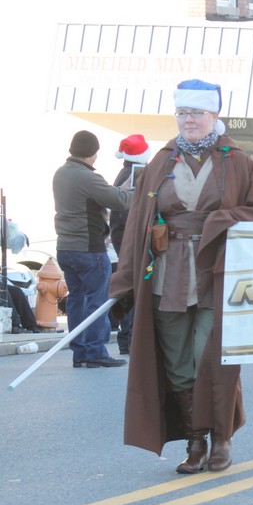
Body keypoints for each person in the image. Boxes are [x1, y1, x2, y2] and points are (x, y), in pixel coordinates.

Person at [109, 78, 253, 474]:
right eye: (183, 113)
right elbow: (138, 223)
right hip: (166, 276)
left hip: (216, 275)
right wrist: (124, 282)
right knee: (177, 364)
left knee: (213, 358)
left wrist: (222, 219)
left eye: (197, 113)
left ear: (214, 116)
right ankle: (194, 440)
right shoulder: (161, 161)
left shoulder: (237, 161)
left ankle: (221, 437)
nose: (189, 120)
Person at [53, 130, 132, 369]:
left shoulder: (61, 173)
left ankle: (80, 351)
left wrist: (120, 190)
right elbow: (120, 201)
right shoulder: (88, 177)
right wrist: (140, 191)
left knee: (77, 300)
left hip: (65, 248)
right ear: (94, 153)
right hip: (89, 249)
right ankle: (96, 350)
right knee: (98, 300)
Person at [109, 134, 150, 354]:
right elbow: (129, 212)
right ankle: (130, 338)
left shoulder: (124, 174)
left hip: (121, 238)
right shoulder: (134, 176)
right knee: (135, 289)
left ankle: (128, 338)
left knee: (130, 287)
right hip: (129, 240)